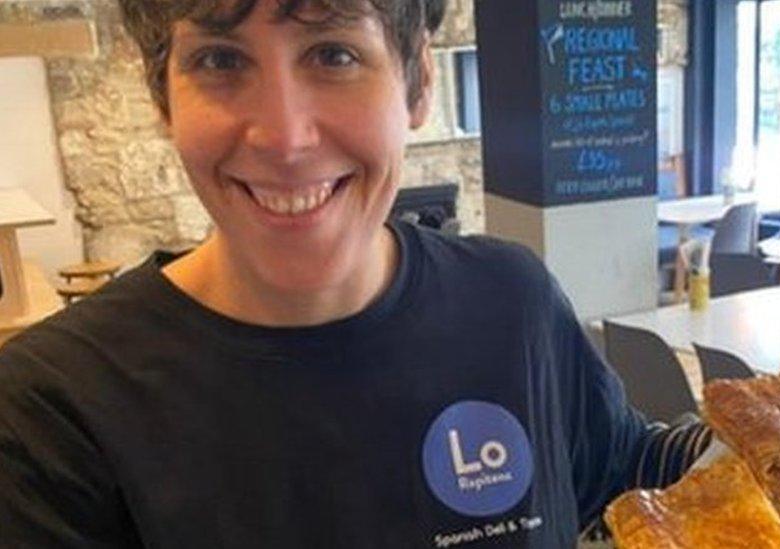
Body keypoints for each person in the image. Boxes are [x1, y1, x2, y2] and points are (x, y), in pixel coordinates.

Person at [0, 1, 710, 547]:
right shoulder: (50, 412)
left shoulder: (510, 300)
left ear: (418, 82)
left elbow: (628, 471)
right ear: (164, 100)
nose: (284, 136)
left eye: (333, 53)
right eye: (220, 61)